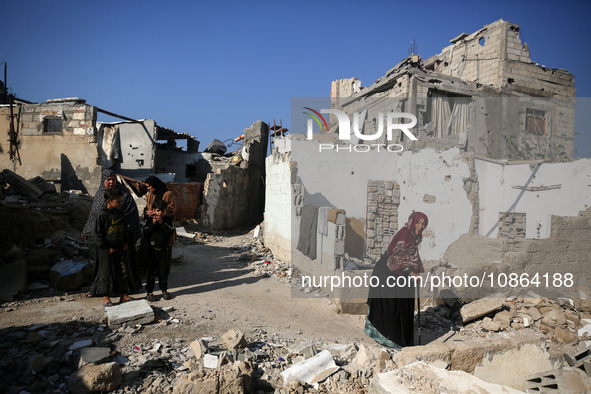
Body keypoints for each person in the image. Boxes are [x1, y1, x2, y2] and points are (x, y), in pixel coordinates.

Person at [365, 211, 428, 348]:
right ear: (413, 222)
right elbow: (395, 258)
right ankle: (389, 339)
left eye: (423, 224)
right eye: (418, 222)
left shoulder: (413, 236)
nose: (421, 226)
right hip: (386, 272)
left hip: (398, 273)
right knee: (391, 306)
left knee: (400, 304)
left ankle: (399, 338)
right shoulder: (406, 234)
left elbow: (410, 255)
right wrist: (410, 272)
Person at [82, 169, 142, 298]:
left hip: (122, 238)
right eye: (108, 179)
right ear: (103, 181)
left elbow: (130, 214)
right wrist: (87, 230)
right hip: (105, 241)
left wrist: (126, 237)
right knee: (104, 269)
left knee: (124, 268)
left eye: (113, 179)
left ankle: (125, 291)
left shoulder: (124, 195)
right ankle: (103, 292)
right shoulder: (100, 195)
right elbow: (94, 216)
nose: (111, 182)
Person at [92, 188, 134, 307]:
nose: (120, 204)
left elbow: (125, 229)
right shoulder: (102, 215)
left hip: (120, 249)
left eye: (120, 201)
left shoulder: (120, 213)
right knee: (105, 274)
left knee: (123, 271)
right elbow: (97, 234)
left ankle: (124, 296)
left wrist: (125, 242)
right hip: (107, 251)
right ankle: (106, 298)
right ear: (109, 201)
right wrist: (106, 248)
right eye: (117, 201)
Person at [144, 200, 175, 301]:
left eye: (162, 211)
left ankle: (164, 290)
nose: (160, 213)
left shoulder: (168, 220)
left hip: (163, 249)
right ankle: (149, 291)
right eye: (158, 211)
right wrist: (153, 223)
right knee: (151, 271)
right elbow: (145, 232)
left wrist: (162, 223)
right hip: (151, 249)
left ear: (165, 211)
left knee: (163, 271)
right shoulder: (150, 220)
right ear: (153, 210)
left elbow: (170, 232)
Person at [144, 175, 177, 258]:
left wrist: (158, 212)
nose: (148, 189)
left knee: (165, 255)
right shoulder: (150, 195)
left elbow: (172, 209)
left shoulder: (168, 194)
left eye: (149, 186)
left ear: (154, 185)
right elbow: (147, 207)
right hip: (154, 226)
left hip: (164, 226)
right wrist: (147, 212)